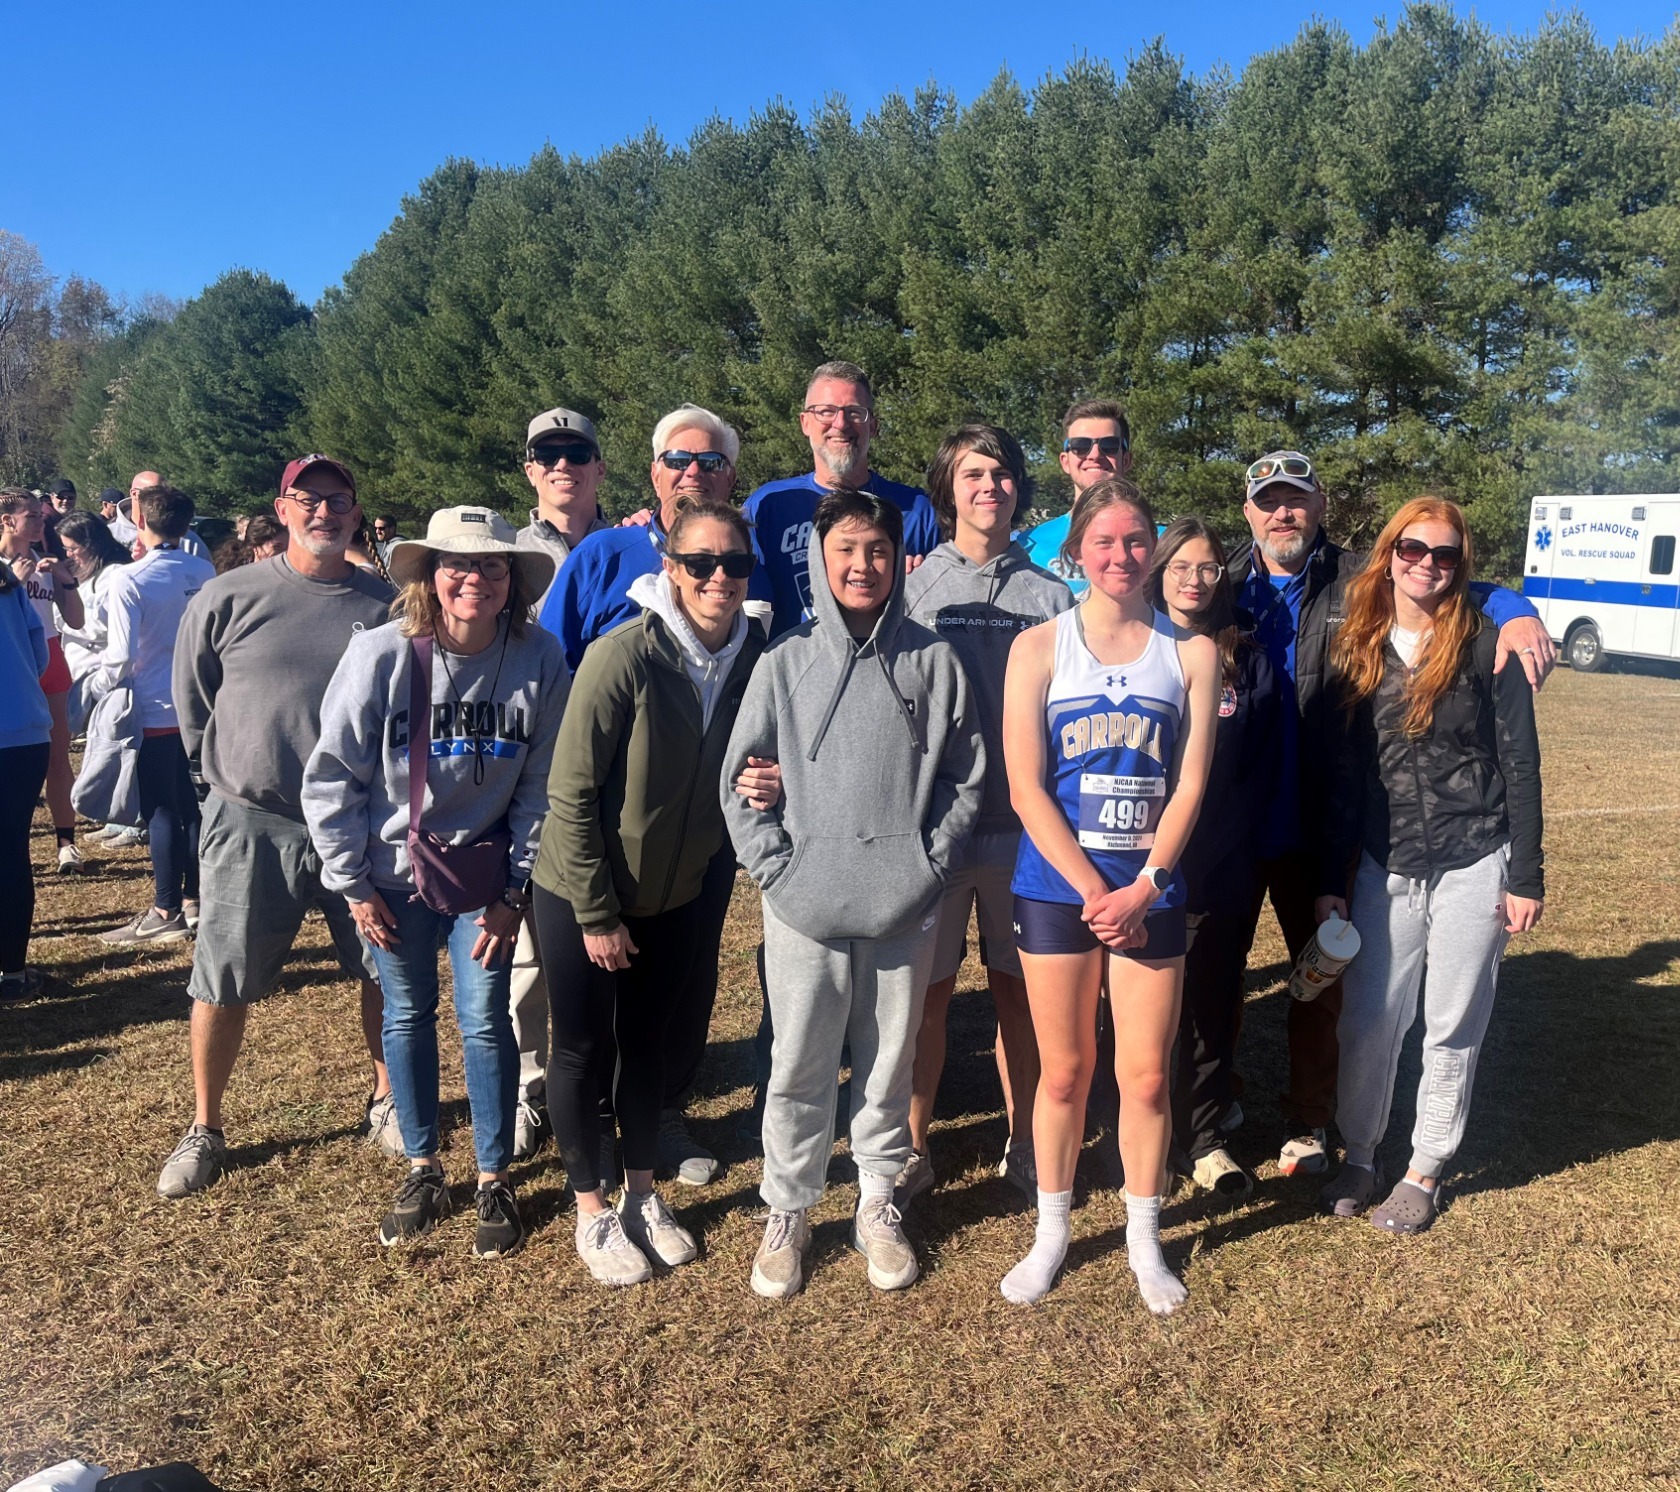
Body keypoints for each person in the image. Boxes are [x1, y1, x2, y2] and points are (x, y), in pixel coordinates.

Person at [1228, 451, 1554, 1177]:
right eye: (1268, 500)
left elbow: (1452, 583)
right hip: (1236, 818)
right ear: (1248, 510)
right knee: (1218, 980)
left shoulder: (1357, 581)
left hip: (1325, 817)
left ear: (1320, 505)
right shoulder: (1217, 583)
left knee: (1325, 980)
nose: (1283, 512)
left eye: (1296, 498)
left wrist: (1517, 609)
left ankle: (1311, 1123)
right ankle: (1212, 1115)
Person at [723, 488, 985, 1300]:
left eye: (877, 549)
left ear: (897, 559)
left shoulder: (934, 662)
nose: (862, 565)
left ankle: (877, 1199)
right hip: (802, 907)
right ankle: (789, 1208)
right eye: (846, 549)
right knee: (799, 1063)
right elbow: (740, 781)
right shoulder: (784, 663)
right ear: (819, 559)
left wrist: (928, 868)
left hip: (902, 905)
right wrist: (778, 870)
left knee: (888, 1061)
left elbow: (966, 778)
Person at [303, 507, 568, 1258]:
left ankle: (493, 1175)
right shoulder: (381, 655)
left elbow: (543, 785)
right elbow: (333, 775)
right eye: (457, 563)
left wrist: (516, 891)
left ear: (512, 579)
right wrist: (353, 885)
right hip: (391, 879)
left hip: (486, 879)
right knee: (407, 1013)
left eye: (491, 565)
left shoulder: (540, 657)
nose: (474, 578)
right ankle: (423, 1167)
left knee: (485, 1018)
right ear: (429, 575)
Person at [152, 456, 403, 1200]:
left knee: (382, 968)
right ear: (283, 507)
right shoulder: (228, 595)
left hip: (359, 822)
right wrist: (221, 783)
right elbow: (193, 701)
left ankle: (388, 1099)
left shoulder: (389, 604)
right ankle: (205, 1125)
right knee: (222, 977)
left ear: (356, 512)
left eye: (338, 500)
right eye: (308, 499)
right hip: (252, 820)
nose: (324, 512)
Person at [534, 499, 769, 1284]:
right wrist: (597, 913)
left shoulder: (753, 651)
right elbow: (570, 794)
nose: (718, 577)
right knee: (581, 1048)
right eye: (700, 562)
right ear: (670, 568)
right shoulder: (622, 655)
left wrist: (766, 776)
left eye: (734, 563)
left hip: (677, 890)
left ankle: (641, 1195)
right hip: (582, 891)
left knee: (647, 1048)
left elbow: (759, 751)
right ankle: (591, 1210)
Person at [999, 478, 1219, 1313]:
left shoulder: (1191, 652)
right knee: (1063, 1074)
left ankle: (1142, 1238)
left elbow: (1190, 785)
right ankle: (1052, 1231)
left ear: (1152, 547)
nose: (1121, 556)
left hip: (1150, 891)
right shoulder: (1039, 648)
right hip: (1058, 891)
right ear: (1077, 552)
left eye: (1135, 540)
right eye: (1104, 542)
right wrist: (1097, 891)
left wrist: (1145, 885)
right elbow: (1026, 787)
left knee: (1147, 1076)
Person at [1314, 497, 1544, 1234]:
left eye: (1445, 555)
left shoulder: (1487, 643)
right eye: (1413, 549)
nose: (1428, 565)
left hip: (1474, 855)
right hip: (1385, 862)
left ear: (1461, 565)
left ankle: (1425, 1168)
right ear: (1389, 554)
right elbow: (1345, 775)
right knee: (1369, 1020)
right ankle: (1361, 1153)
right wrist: (1331, 879)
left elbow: (1521, 762)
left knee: (1452, 1023)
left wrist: (1525, 875)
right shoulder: (1358, 643)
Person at [897, 424, 1074, 1207]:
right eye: (973, 474)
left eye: (1001, 474)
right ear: (948, 486)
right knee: (924, 1000)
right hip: (934, 835)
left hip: (1024, 834)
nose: (989, 487)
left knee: (1020, 995)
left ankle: (1027, 1141)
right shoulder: (911, 590)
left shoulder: (1051, 596)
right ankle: (910, 1149)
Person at [1147, 518, 1280, 1198]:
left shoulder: (1246, 656)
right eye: (1181, 566)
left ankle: (1201, 1137)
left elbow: (1262, 765)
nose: (1194, 580)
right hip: (1139, 868)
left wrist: (1221, 850)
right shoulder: (1133, 647)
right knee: (1142, 1007)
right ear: (1159, 571)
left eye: (1207, 568)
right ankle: (1141, 1136)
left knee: (1209, 999)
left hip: (1221, 865)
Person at [92, 485, 216, 944]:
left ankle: (165, 910)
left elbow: (121, 656)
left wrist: (93, 690)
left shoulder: (130, 578)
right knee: (190, 805)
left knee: (161, 808)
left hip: (153, 708)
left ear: (141, 520)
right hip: (198, 706)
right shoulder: (203, 570)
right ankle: (194, 899)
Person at [741, 360, 941, 640]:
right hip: (799, 664)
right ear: (805, 423)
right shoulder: (767, 505)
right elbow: (740, 600)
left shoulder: (919, 510)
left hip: (889, 662)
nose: (840, 424)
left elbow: (945, 602)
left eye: (855, 412)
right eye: (826, 411)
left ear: (873, 426)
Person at [0, 489, 87, 875]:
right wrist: (14, 583)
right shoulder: (4, 567)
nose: (40, 522)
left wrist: (66, 580)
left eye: (40, 515)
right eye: (31, 516)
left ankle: (66, 843)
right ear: (7, 521)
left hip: (50, 657)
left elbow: (77, 621)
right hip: (15, 666)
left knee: (58, 755)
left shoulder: (42, 560)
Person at [0, 543, 52, 999]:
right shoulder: (6, 577)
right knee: (11, 853)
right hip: (22, 729)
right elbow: (39, 653)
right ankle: (13, 974)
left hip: (21, 728)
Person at [1015, 399, 1134, 597]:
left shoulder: (1162, 544)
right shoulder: (1026, 546)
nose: (1095, 454)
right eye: (1080, 446)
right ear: (1065, 462)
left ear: (1126, 460)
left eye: (1109, 445)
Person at [517, 407, 610, 612]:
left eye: (578, 454)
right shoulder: (506, 558)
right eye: (546, 454)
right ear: (530, 472)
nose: (562, 464)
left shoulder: (630, 549)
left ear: (600, 470)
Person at [54, 511, 132, 736]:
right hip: (76, 669)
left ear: (91, 544)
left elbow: (103, 625)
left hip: (98, 671)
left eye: (73, 548)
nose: (69, 555)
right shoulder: (78, 570)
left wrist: (65, 619)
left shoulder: (115, 574)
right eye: (65, 549)